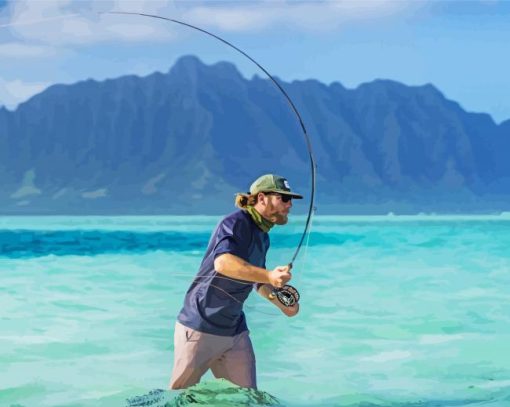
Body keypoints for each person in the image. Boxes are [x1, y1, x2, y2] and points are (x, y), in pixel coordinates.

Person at [169, 174, 303, 390]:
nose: (290, 205)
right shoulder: (234, 223)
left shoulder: (263, 235)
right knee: (177, 399)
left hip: (234, 331)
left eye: (291, 200)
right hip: (200, 326)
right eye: (284, 199)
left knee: (250, 400)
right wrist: (269, 275)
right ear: (262, 198)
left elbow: (254, 280)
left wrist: (281, 302)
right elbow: (223, 263)